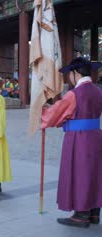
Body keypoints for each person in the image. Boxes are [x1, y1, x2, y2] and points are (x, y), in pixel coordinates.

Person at [41, 57, 102, 228]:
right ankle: (94, 213)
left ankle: (81, 214)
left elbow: (56, 114)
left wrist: (42, 112)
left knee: (80, 173)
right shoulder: (98, 91)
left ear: (75, 74)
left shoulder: (74, 94)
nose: (69, 77)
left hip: (79, 139)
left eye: (70, 74)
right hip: (96, 136)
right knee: (94, 173)